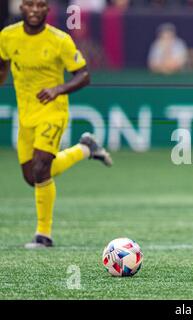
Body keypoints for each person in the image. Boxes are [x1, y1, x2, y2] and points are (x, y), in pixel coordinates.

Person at [0, 0, 113, 248]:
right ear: (21, 8)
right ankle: (85, 148)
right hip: (26, 114)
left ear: (47, 10)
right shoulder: (8, 36)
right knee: (33, 177)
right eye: (29, 4)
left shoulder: (59, 40)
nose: (34, 9)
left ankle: (44, 234)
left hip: (53, 112)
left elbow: (84, 74)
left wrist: (58, 89)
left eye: (40, 5)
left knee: (41, 168)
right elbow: (2, 64)